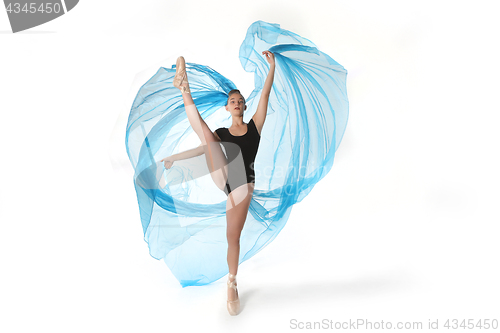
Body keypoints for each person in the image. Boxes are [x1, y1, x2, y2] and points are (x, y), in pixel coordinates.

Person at [160, 51, 276, 315]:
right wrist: (175, 159)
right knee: (207, 136)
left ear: (244, 107)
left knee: (231, 238)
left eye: (240, 100)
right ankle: (184, 87)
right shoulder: (222, 133)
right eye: (232, 100)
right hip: (225, 180)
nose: (236, 103)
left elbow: (266, 97)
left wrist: (272, 68)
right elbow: (205, 149)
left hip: (243, 186)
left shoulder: (255, 128)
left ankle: (232, 283)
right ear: (226, 108)